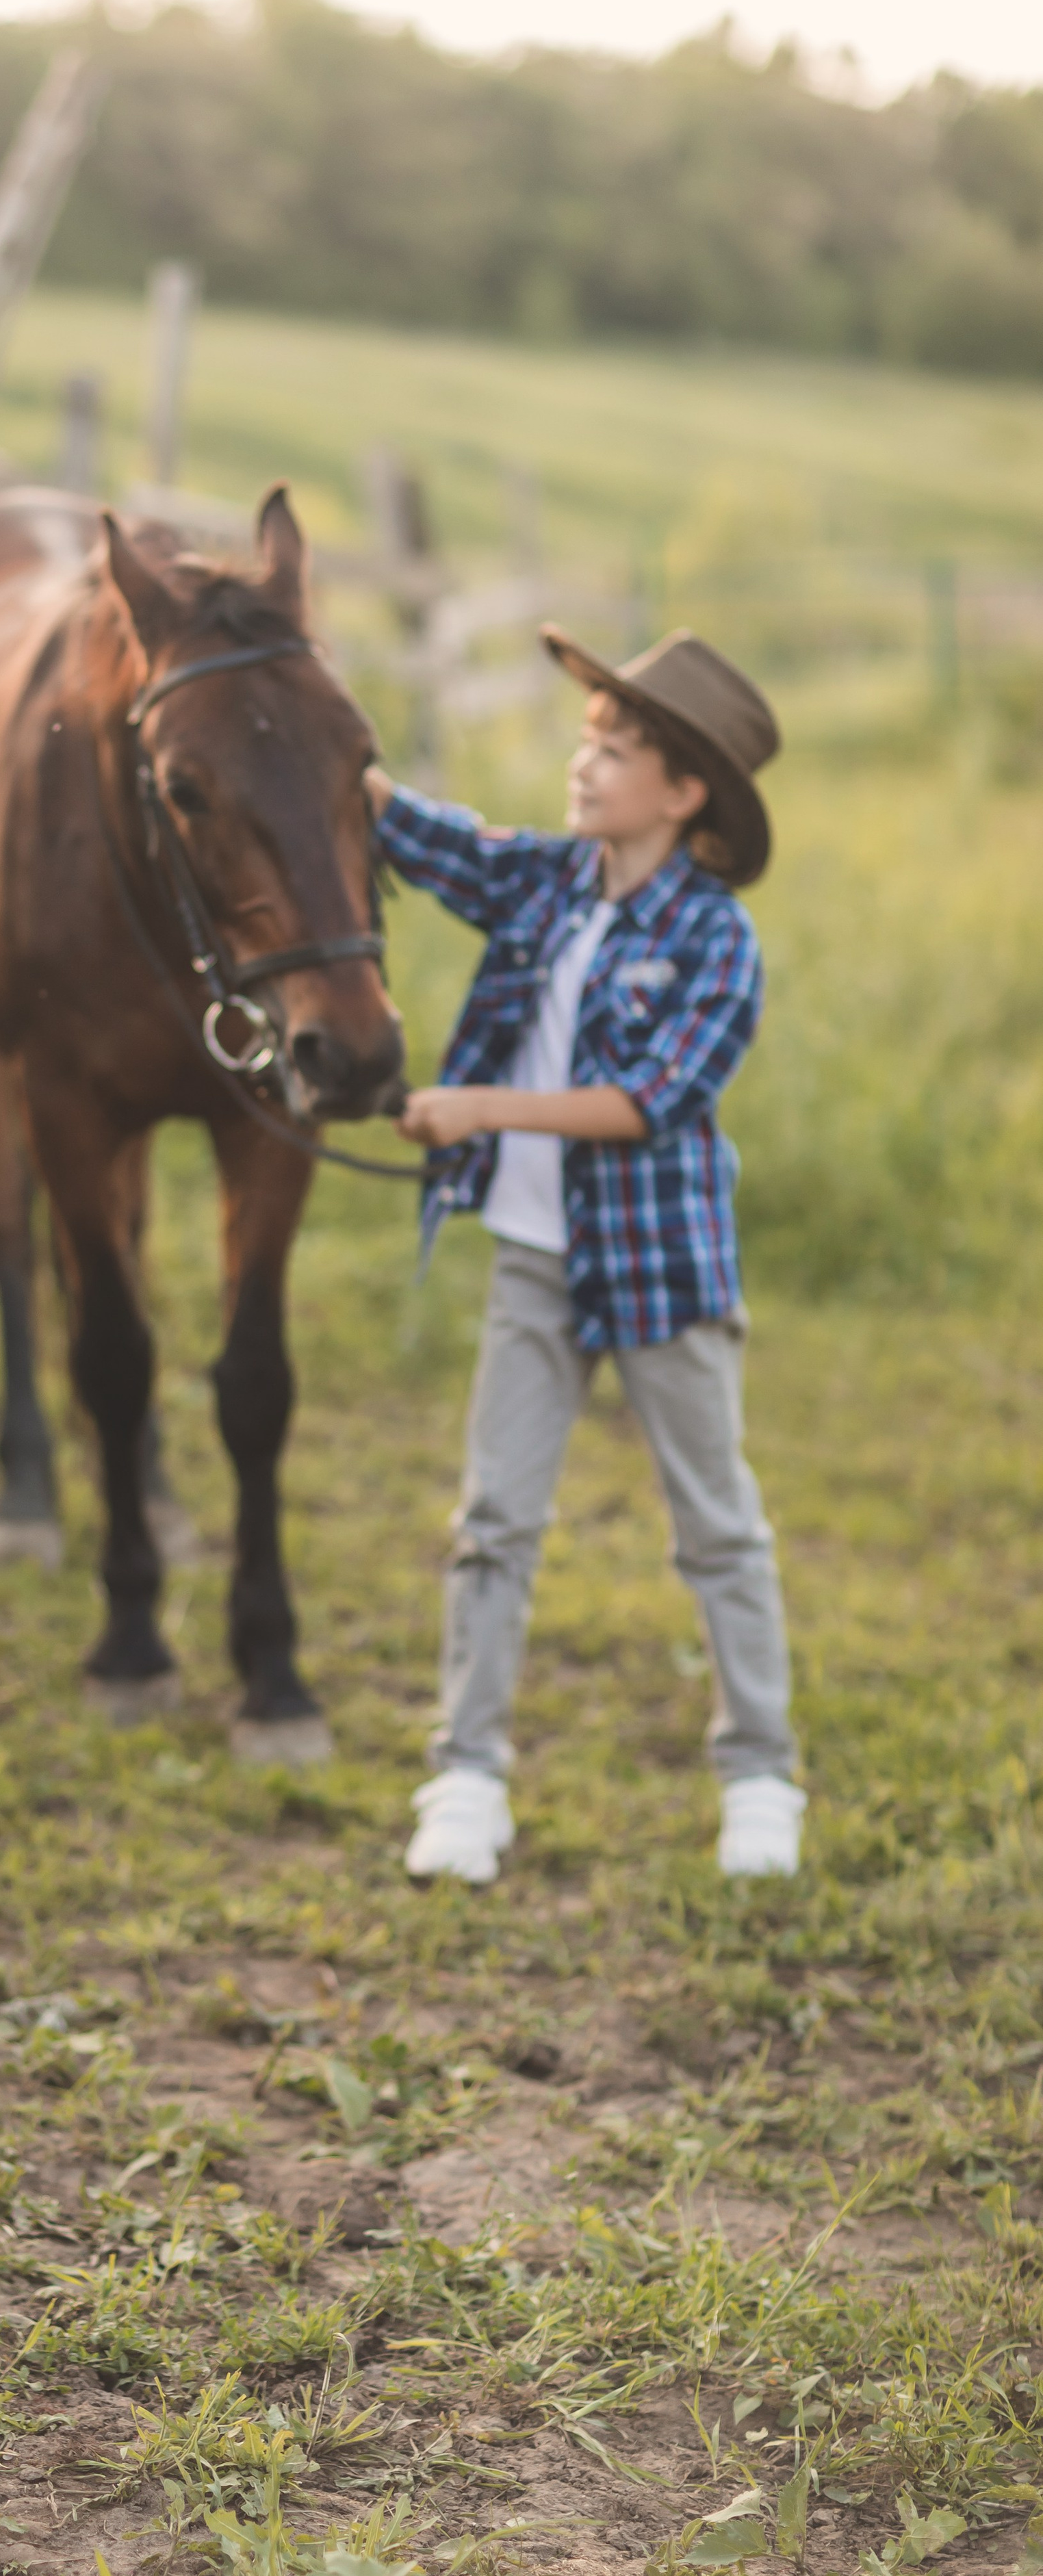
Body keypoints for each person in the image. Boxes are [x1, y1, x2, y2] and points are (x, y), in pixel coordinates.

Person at [368, 626, 803, 1886]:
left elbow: (646, 1099)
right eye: (587, 738)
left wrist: (477, 1106)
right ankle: (468, 1773)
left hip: (663, 1266)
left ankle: (763, 1772)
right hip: (533, 1260)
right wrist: (330, 744)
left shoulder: (718, 938)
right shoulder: (553, 884)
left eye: (617, 750)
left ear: (684, 794)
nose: (585, 762)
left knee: (716, 1523)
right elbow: (435, 838)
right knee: (496, 1515)